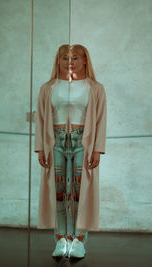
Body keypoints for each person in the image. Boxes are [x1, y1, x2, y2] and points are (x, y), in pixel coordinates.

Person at [34, 44, 107, 259]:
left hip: (82, 142)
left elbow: (101, 121)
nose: (70, 62)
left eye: (75, 58)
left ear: (85, 61)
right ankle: (61, 240)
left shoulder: (95, 88)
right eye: (65, 58)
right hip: (55, 141)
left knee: (78, 194)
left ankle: (78, 241)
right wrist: (40, 148)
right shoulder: (48, 87)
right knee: (58, 193)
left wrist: (97, 150)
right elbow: (40, 119)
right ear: (58, 61)